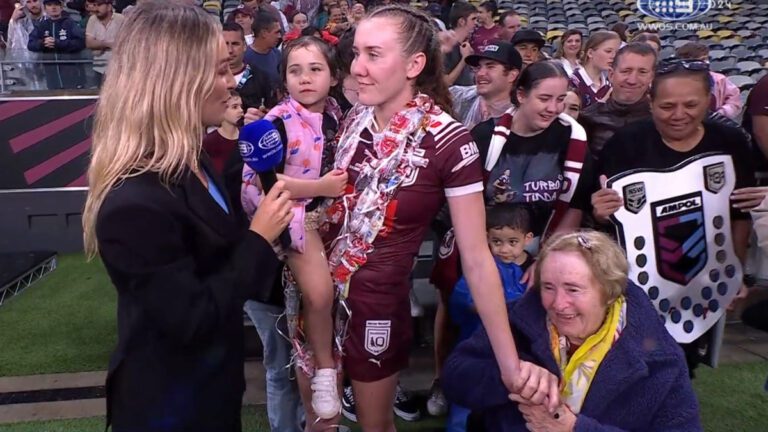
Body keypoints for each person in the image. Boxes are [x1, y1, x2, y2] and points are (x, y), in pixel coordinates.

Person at [297, 4, 557, 431]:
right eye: (357, 53)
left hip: (378, 307)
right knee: (318, 423)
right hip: (320, 301)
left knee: (374, 426)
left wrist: (509, 361)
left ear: (415, 64)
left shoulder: (449, 140)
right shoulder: (354, 119)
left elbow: (476, 258)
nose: (357, 67)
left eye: (374, 54)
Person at [80, 2, 293, 431]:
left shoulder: (192, 156)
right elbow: (191, 318)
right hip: (168, 407)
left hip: (213, 388)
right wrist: (258, 238)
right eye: (219, 71)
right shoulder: (133, 202)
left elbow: (216, 254)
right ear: (174, 82)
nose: (232, 82)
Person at [583, 59, 754, 376]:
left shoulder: (729, 144)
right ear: (650, 103)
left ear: (709, 100)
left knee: (681, 367)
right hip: (636, 286)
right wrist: (600, 211)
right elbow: (605, 217)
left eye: (691, 104)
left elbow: (738, 215)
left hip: (699, 284)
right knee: (630, 366)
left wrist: (736, 272)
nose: (679, 115)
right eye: (667, 106)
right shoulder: (625, 144)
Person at [443, 231, 703, 432]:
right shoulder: (516, 319)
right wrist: (512, 373)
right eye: (548, 287)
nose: (557, 304)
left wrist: (574, 428)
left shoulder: (662, 359)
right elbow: (454, 378)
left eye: (573, 289)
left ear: (609, 292)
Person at [242, 35, 347, 420]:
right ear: (283, 78)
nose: (305, 79)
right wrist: (320, 188)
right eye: (295, 71)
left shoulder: (340, 115)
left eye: (315, 69)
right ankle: (323, 369)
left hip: (337, 222)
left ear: (334, 77)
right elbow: (261, 185)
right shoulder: (275, 123)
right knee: (319, 296)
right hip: (293, 223)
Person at [446, 203, 532, 432]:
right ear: (487, 238)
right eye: (496, 242)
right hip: (476, 348)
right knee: (465, 401)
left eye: (512, 242)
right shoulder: (481, 269)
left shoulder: (523, 271)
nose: (504, 249)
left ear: (528, 239)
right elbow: (468, 301)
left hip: (509, 352)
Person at [578, 42, 655, 157]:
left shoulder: (661, 120)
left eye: (642, 72)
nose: (632, 80)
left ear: (652, 77)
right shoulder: (588, 118)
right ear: (611, 74)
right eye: (626, 71)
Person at [449, 40, 521, 129]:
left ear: (511, 75)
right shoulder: (461, 97)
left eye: (490, 67)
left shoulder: (522, 116)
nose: (480, 73)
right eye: (478, 67)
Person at [28, 0, 87, 90]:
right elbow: (31, 44)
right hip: (51, 73)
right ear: (45, 8)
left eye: (56, 4)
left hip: (71, 72)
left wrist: (59, 43)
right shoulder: (42, 25)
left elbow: (81, 43)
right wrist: (42, 43)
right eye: (50, 5)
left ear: (61, 7)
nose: (53, 7)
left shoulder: (70, 23)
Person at [676, 42, 742, 120]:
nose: (706, 62)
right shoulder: (676, 81)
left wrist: (722, 113)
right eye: (702, 59)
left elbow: (734, 101)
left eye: (706, 58)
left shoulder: (719, 79)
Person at [223, 22, 276, 115]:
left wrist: (262, 119)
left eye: (235, 44)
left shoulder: (262, 78)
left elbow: (271, 113)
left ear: (244, 46)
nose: (230, 50)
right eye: (225, 44)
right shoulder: (207, 77)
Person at [570, 30, 620, 109]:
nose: (613, 56)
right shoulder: (572, 82)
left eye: (617, 52)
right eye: (608, 51)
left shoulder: (610, 85)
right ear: (590, 53)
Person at [202, 91, 242, 176]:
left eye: (241, 106)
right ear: (223, 109)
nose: (241, 110)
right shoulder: (209, 142)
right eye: (235, 107)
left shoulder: (247, 136)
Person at [85, 0, 125, 84]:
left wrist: (99, 44)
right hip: (99, 67)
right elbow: (89, 43)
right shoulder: (92, 19)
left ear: (109, 6)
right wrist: (108, 44)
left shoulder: (121, 19)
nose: (95, 8)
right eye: (94, 5)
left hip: (119, 67)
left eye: (99, 5)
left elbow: (124, 43)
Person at [443, 1, 478, 86]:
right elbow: (446, 82)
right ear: (462, 21)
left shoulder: (466, 45)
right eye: (473, 19)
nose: (476, 23)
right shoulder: (446, 46)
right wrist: (464, 59)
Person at [245, 10, 282, 86]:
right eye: (276, 32)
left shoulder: (277, 54)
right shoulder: (245, 57)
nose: (279, 36)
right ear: (263, 33)